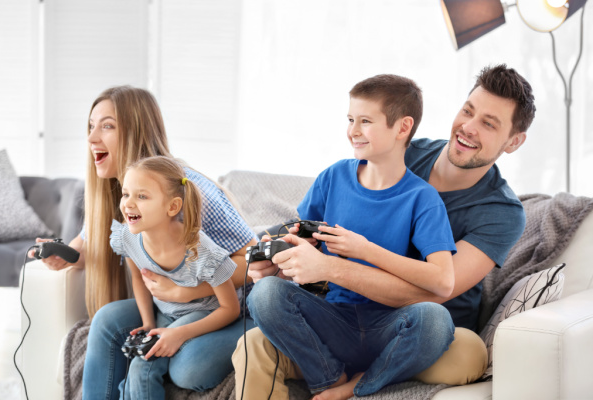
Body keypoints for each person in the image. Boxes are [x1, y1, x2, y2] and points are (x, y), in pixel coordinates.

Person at [232, 64, 534, 399]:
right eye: (468, 111)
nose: (468, 127)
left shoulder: (500, 212)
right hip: (342, 315)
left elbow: (434, 292)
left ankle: (363, 379)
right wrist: (279, 263)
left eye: (489, 124)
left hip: (419, 328)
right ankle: (332, 375)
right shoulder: (400, 152)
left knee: (468, 353)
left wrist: (334, 267)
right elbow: (322, 230)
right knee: (253, 343)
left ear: (514, 142)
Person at [31, 86, 257, 399]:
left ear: (136, 131)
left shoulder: (189, 190)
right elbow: (82, 250)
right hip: (167, 306)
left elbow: (256, 263)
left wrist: (186, 290)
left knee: (187, 369)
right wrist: (60, 255)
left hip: (222, 305)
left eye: (107, 126)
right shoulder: (120, 197)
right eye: (90, 126)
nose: (92, 138)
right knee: (107, 320)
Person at [111, 155, 243, 399]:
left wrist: (179, 333)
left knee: (143, 364)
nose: (128, 203)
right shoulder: (128, 237)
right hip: (166, 311)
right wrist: (149, 322)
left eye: (142, 196)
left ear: (172, 207)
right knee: (131, 376)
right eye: (126, 194)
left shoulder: (202, 251)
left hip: (203, 310)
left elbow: (230, 309)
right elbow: (139, 279)